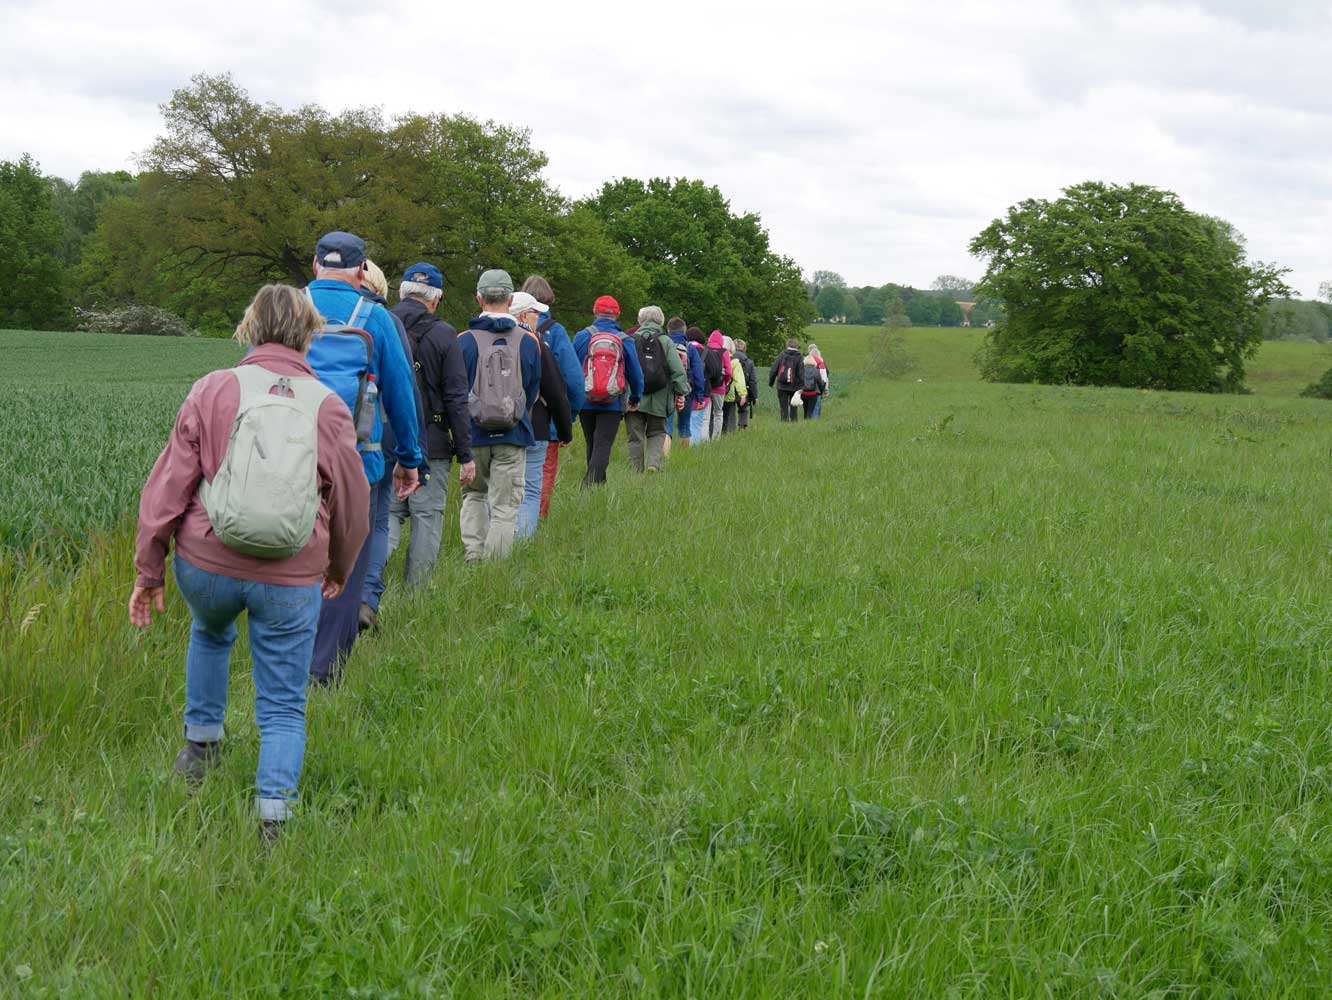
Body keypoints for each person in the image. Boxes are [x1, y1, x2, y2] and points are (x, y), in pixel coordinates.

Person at [130, 284, 369, 842]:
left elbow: (167, 487)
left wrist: (150, 568)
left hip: (206, 562)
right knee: (284, 702)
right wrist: (337, 567)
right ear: (310, 333)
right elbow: (353, 502)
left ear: (249, 327)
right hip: (291, 571)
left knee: (210, 634)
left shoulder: (214, 388)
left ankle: (200, 750)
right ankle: (273, 820)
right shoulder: (328, 405)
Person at [303, 232, 422, 686]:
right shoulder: (373, 317)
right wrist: (409, 460)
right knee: (345, 565)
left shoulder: (284, 307)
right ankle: (323, 671)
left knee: (293, 556)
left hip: (288, 461)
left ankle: (285, 658)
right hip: (359, 464)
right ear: (360, 271)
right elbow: (400, 394)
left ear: (315, 266)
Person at [388, 262, 475, 585]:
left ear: (401, 293)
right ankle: (416, 594)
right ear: (436, 298)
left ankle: (368, 587)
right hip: (432, 441)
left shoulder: (382, 323)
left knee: (387, 516)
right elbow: (456, 396)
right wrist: (465, 454)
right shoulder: (444, 334)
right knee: (427, 517)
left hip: (386, 439)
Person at [357, 260, 426, 634]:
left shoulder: (308, 312)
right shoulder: (385, 321)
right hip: (375, 438)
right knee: (377, 520)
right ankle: (366, 598)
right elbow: (403, 391)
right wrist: (410, 452)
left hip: (313, 439)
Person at [456, 269, 542, 563]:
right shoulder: (529, 341)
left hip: (473, 435)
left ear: (479, 298)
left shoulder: (464, 340)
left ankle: (474, 558)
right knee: (505, 506)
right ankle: (495, 568)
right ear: (510, 299)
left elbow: (457, 390)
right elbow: (531, 390)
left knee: (474, 495)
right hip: (513, 433)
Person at [517, 276, 582, 539]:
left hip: (500, 419)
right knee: (538, 485)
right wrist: (568, 417)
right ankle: (533, 535)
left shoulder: (506, 328)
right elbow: (574, 381)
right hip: (546, 423)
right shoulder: (555, 331)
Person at [572, 295, 643, 486]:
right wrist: (635, 397)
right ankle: (590, 486)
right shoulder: (624, 339)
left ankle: (597, 487)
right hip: (612, 402)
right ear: (617, 315)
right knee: (602, 445)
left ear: (595, 312)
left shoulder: (582, 336)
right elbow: (635, 373)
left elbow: (571, 368)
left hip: (585, 400)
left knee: (592, 444)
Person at [624, 306, 689, 473]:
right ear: (661, 321)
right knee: (657, 433)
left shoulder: (630, 339)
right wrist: (681, 392)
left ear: (640, 321)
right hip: (660, 398)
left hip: (634, 398)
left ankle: (634, 471)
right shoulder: (666, 341)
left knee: (634, 437)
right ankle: (653, 464)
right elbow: (677, 370)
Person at [666, 317, 706, 448]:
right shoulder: (690, 348)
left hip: (666, 390)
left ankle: (666, 456)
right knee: (684, 424)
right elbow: (699, 373)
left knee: (667, 425)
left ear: (668, 330)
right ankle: (684, 453)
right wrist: (700, 395)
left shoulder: (664, 344)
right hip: (686, 390)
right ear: (684, 331)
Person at [686, 327, 718, 444]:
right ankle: (695, 448)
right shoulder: (707, 352)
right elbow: (715, 371)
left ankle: (684, 450)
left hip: (683, 391)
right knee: (698, 422)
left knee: (685, 422)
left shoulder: (682, 349)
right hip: (703, 391)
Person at [770, 338, 807, 422]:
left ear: (787, 345)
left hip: (781, 386)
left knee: (783, 407)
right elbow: (801, 373)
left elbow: (774, 369)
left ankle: (784, 422)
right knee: (794, 407)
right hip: (795, 386)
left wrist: (771, 382)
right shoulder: (799, 357)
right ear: (797, 346)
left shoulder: (781, 355)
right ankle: (794, 422)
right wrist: (802, 387)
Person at [706, 330, 731, 440]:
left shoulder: (704, 349)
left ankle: (704, 438)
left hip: (706, 386)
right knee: (718, 413)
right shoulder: (724, 351)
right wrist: (725, 382)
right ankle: (716, 438)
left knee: (706, 415)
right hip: (719, 387)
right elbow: (729, 371)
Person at [721, 335, 748, 435]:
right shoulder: (734, 361)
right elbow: (739, 380)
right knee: (729, 415)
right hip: (728, 393)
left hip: (714, 392)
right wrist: (743, 394)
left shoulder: (713, 355)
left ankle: (713, 436)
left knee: (715, 415)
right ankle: (729, 433)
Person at [733, 339, 759, 429]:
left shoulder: (729, 358)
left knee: (729, 410)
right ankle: (742, 427)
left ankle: (728, 430)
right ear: (744, 348)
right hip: (744, 390)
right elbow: (752, 381)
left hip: (730, 389)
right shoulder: (749, 362)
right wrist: (755, 396)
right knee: (743, 410)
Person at [801, 344, 826, 419]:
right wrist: (821, 392)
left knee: (805, 409)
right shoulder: (816, 371)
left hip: (803, 393)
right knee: (810, 410)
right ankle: (809, 422)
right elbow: (820, 383)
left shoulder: (801, 371)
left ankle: (805, 421)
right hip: (813, 393)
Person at [808, 343, 829, 417]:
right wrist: (824, 389)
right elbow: (825, 376)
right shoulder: (821, 362)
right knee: (817, 406)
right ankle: (815, 420)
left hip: (807, 387)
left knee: (808, 406)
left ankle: (808, 419)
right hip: (817, 388)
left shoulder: (806, 361)